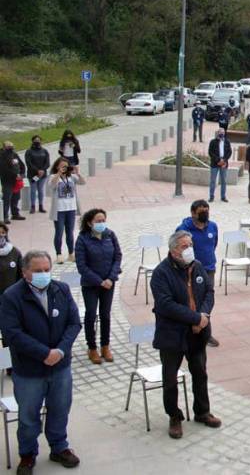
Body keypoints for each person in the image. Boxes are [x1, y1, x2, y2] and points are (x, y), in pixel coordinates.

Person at [0, 250, 82, 473]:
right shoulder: (11, 296)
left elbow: (74, 323)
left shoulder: (61, 289)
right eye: (38, 271)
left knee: (60, 409)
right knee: (28, 416)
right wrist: (44, 353)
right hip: (29, 371)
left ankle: (59, 447)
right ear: (25, 272)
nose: (44, 274)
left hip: (60, 367)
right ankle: (27, 454)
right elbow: (12, 333)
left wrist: (61, 351)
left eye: (47, 270)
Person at [150, 231, 221, 439]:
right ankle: (174, 416)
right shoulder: (161, 273)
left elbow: (209, 292)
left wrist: (204, 316)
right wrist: (195, 318)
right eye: (184, 246)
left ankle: (202, 411)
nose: (189, 249)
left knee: (200, 372)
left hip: (198, 333)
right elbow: (166, 305)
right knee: (170, 378)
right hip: (172, 335)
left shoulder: (197, 266)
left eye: (190, 244)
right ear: (173, 250)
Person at [74, 208, 122, 365]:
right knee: (90, 314)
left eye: (103, 221)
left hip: (109, 283)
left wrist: (110, 278)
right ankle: (92, 347)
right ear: (89, 223)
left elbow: (118, 257)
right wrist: (99, 281)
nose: (102, 224)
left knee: (106, 315)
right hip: (91, 285)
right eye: (98, 221)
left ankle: (105, 346)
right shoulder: (82, 239)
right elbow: (82, 266)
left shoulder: (110, 235)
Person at [175, 201, 220, 348]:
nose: (205, 214)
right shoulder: (184, 229)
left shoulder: (213, 226)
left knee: (207, 300)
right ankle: (189, 329)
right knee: (192, 299)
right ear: (193, 213)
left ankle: (206, 331)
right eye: (201, 212)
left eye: (207, 211)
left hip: (209, 268)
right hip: (191, 270)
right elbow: (177, 248)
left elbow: (214, 244)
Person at [48, 158, 84, 264]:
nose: (64, 168)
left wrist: (78, 173)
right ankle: (59, 254)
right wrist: (58, 173)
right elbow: (51, 185)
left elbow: (83, 182)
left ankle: (71, 253)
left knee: (70, 232)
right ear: (57, 166)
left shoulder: (71, 177)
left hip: (71, 208)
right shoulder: (53, 177)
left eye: (66, 166)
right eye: (62, 166)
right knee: (59, 232)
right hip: (59, 209)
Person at [0, 141, 25, 224]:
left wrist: (21, 174)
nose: (11, 147)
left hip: (17, 181)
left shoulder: (14, 154)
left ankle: (15, 214)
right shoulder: (1, 156)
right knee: (7, 199)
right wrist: (15, 175)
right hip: (7, 181)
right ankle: (5, 217)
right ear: (4, 147)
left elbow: (22, 165)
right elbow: (4, 169)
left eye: (12, 146)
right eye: (9, 146)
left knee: (16, 198)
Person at [25, 136, 50, 215]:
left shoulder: (45, 151)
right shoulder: (29, 151)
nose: (37, 142)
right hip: (33, 175)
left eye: (39, 140)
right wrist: (37, 170)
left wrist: (42, 170)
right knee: (33, 190)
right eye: (35, 140)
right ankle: (32, 206)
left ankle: (41, 206)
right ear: (32, 141)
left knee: (41, 190)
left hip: (42, 175)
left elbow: (47, 162)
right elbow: (28, 163)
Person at [207, 128, 231, 203]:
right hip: (215, 163)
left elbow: (229, 152)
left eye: (223, 132)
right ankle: (211, 196)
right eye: (220, 132)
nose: (222, 134)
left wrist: (224, 160)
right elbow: (210, 152)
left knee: (223, 181)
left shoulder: (227, 141)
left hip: (224, 163)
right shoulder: (213, 142)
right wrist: (218, 160)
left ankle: (223, 197)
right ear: (217, 133)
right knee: (213, 181)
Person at [0, 223, 23, 298]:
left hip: (10, 296)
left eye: (3, 233)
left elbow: (22, 274)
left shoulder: (14, 252)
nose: (1, 236)